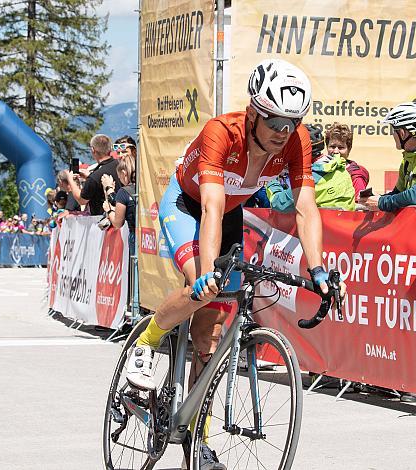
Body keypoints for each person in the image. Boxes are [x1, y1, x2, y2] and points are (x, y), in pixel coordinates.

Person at [127, 59, 345, 466]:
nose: (285, 132)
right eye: (276, 121)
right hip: (187, 203)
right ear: (254, 113)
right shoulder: (221, 133)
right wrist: (208, 270)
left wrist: (316, 269)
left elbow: (305, 208)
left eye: (292, 122)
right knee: (200, 286)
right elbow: (209, 206)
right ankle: (147, 340)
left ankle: (197, 439)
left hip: (229, 214)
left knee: (210, 332)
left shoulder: (296, 141)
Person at [358, 101, 416, 211]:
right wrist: (376, 199)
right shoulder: (409, 158)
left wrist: (382, 202)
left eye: (394, 130)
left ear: (402, 133)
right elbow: (399, 194)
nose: (393, 134)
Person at [266, 124, 356, 211]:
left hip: (321, 225)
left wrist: (269, 178)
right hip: (340, 224)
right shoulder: (338, 167)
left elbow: (278, 203)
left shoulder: (314, 176)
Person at [67, 134, 121, 215]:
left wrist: (71, 180)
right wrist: (89, 177)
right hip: (125, 217)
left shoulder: (95, 176)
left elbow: (82, 200)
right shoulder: (121, 165)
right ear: (110, 148)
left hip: (106, 220)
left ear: (93, 149)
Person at [324, 122, 369, 200]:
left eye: (341, 147)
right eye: (332, 146)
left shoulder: (356, 175)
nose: (336, 151)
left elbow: (360, 203)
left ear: (349, 149)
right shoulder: (319, 169)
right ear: (327, 147)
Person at [101, 155, 136, 252]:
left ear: (124, 173)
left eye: (119, 177)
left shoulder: (124, 192)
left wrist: (109, 211)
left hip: (135, 234)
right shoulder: (144, 187)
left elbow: (118, 223)